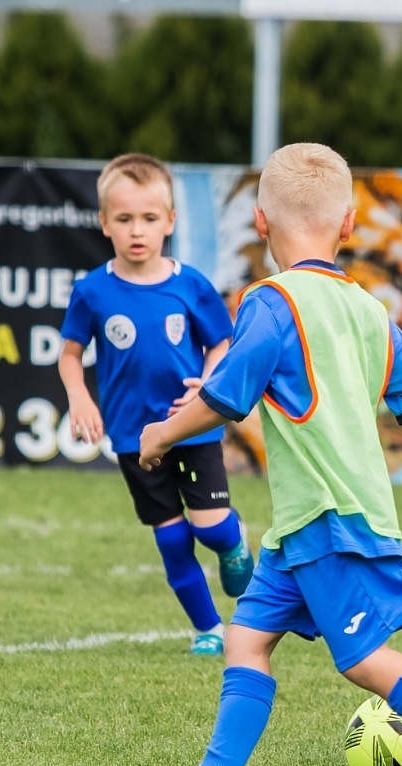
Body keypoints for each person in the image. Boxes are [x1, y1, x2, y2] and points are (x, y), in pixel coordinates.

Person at [112, 143, 402, 766]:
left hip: (332, 521)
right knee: (246, 639)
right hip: (306, 523)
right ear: (346, 228)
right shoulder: (368, 309)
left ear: (260, 222)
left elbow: (223, 395)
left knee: (366, 663)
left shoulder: (269, 303)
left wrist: (159, 437)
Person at [59, 153, 254, 657]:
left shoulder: (191, 286)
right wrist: (79, 395)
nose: (137, 230)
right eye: (123, 219)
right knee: (170, 540)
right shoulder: (92, 290)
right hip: (131, 434)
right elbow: (70, 354)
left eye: (149, 218)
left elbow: (221, 343)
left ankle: (234, 542)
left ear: (170, 220)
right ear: (104, 223)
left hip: (192, 427)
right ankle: (209, 628)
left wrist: (207, 388)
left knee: (210, 530)